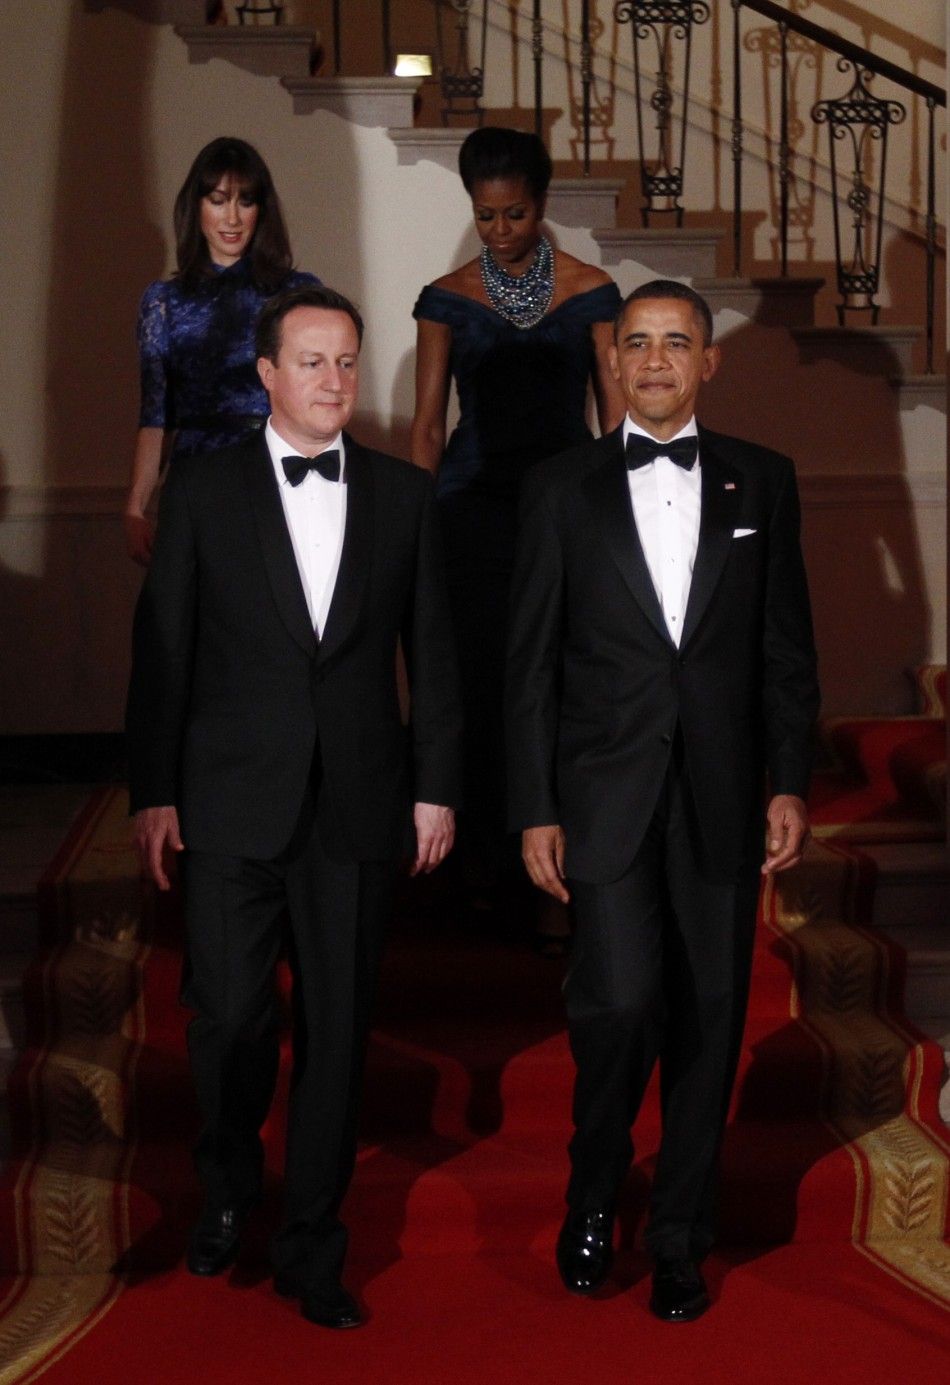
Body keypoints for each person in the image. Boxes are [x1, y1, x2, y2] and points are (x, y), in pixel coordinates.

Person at [126, 284, 462, 1330]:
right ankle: (227, 1182)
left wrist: (434, 785)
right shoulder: (203, 488)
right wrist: (154, 790)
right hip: (228, 799)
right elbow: (164, 652)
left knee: (337, 1031)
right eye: (311, 361)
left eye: (347, 361)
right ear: (265, 374)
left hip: (357, 805)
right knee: (226, 1016)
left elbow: (438, 661)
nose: (332, 379)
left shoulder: (406, 497)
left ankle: (313, 1241)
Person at [506, 281, 819, 1319]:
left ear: (706, 362)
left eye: (674, 343)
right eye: (634, 343)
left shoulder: (761, 481)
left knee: (711, 1015)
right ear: (610, 361)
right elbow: (529, 665)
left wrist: (786, 780)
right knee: (618, 1001)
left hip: (724, 799)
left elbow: (785, 651)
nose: (651, 361)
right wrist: (533, 804)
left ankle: (681, 1230)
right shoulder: (559, 487)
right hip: (601, 796)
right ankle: (594, 1187)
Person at [411, 126, 625, 935]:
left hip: (568, 513)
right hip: (471, 516)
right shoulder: (446, 297)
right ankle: (484, 869)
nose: (501, 230)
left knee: (565, 689)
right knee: (482, 690)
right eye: (487, 215)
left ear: (543, 205)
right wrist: (417, 531)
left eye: (517, 213)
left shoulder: (592, 291)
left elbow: (616, 422)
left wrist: (621, 523)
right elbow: (429, 428)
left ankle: (560, 875)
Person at [124, 136, 319, 564]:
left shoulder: (298, 293)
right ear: (197, 207)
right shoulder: (164, 301)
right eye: (218, 200)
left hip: (277, 474)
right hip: (195, 479)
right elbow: (155, 419)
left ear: (261, 210)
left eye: (245, 201)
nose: (232, 217)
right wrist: (136, 508)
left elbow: (319, 400)